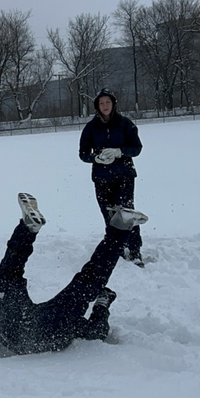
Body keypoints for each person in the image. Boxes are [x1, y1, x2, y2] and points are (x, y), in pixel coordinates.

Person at [0, 192, 148, 355]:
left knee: (89, 281)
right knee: (9, 275)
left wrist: (101, 306)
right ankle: (27, 228)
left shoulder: (65, 324)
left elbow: (96, 332)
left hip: (37, 335)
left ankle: (121, 227)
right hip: (17, 325)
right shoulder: (0, 324)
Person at [79, 88, 144, 266]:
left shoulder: (125, 124)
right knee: (109, 215)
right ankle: (115, 250)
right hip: (101, 178)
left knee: (126, 213)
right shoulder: (91, 127)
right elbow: (82, 153)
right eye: (101, 103)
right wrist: (95, 158)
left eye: (108, 102)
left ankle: (134, 250)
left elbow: (137, 148)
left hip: (124, 175)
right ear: (97, 106)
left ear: (113, 104)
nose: (105, 106)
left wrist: (120, 152)